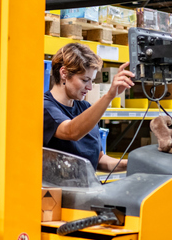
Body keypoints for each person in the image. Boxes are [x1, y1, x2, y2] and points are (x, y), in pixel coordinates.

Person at [44, 43, 135, 172]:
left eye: (92, 81)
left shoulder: (85, 108)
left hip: (86, 190)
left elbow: (98, 160)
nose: (90, 87)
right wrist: (109, 95)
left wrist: (134, 162)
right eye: (85, 80)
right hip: (57, 191)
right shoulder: (45, 107)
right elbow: (71, 131)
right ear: (64, 73)